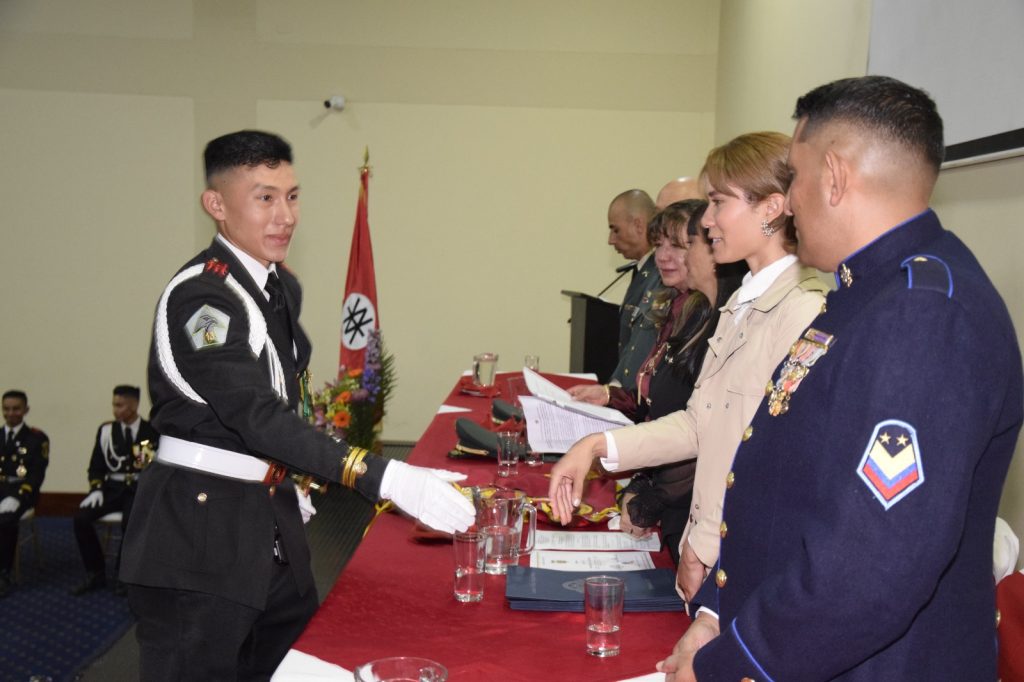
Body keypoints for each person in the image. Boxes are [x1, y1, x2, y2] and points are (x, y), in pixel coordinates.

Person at [658, 76, 1023, 681]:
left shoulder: (923, 313)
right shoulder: (862, 294)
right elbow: (789, 485)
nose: (791, 201)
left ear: (833, 176)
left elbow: (875, 564)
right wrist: (721, 611)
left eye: (795, 178)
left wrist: (739, 661)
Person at [120, 130, 475, 680]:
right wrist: (382, 477)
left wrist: (295, 479)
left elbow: (286, 397)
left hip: (271, 518)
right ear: (216, 205)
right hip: (198, 535)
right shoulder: (204, 297)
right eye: (264, 197)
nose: (285, 215)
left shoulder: (276, 286)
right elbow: (253, 414)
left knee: (296, 667)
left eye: (292, 195)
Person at [548, 131, 829, 601]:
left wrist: (702, 546)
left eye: (718, 202)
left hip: (741, 559)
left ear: (771, 208)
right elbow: (702, 424)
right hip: (710, 544)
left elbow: (770, 460)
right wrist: (596, 445)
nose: (708, 219)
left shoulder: (801, 310)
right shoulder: (742, 300)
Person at [570, 201, 748, 561]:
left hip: (695, 512)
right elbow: (659, 403)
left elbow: (707, 433)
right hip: (669, 496)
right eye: (659, 245)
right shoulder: (684, 310)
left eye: (680, 245)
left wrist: (652, 494)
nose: (662, 256)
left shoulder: (721, 318)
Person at [71, 385, 159, 596]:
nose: (115, 410)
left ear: (134, 405)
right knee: (81, 519)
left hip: (137, 488)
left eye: (120, 405)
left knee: (132, 522)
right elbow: (96, 466)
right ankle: (96, 572)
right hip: (111, 489)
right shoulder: (106, 432)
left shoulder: (150, 430)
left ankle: (124, 575)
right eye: (114, 404)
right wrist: (96, 489)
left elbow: (146, 466)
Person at [605, 189, 660, 392]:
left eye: (615, 230)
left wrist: (615, 392)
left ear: (638, 225)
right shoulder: (643, 270)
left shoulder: (661, 275)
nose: (611, 240)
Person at [0, 390, 49, 598]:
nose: (11, 413)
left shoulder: (36, 438)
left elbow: (37, 474)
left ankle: (4, 573)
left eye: (16, 409)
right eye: (6, 409)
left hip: (23, 491)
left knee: (6, 520)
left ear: (25, 410)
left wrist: (18, 496)